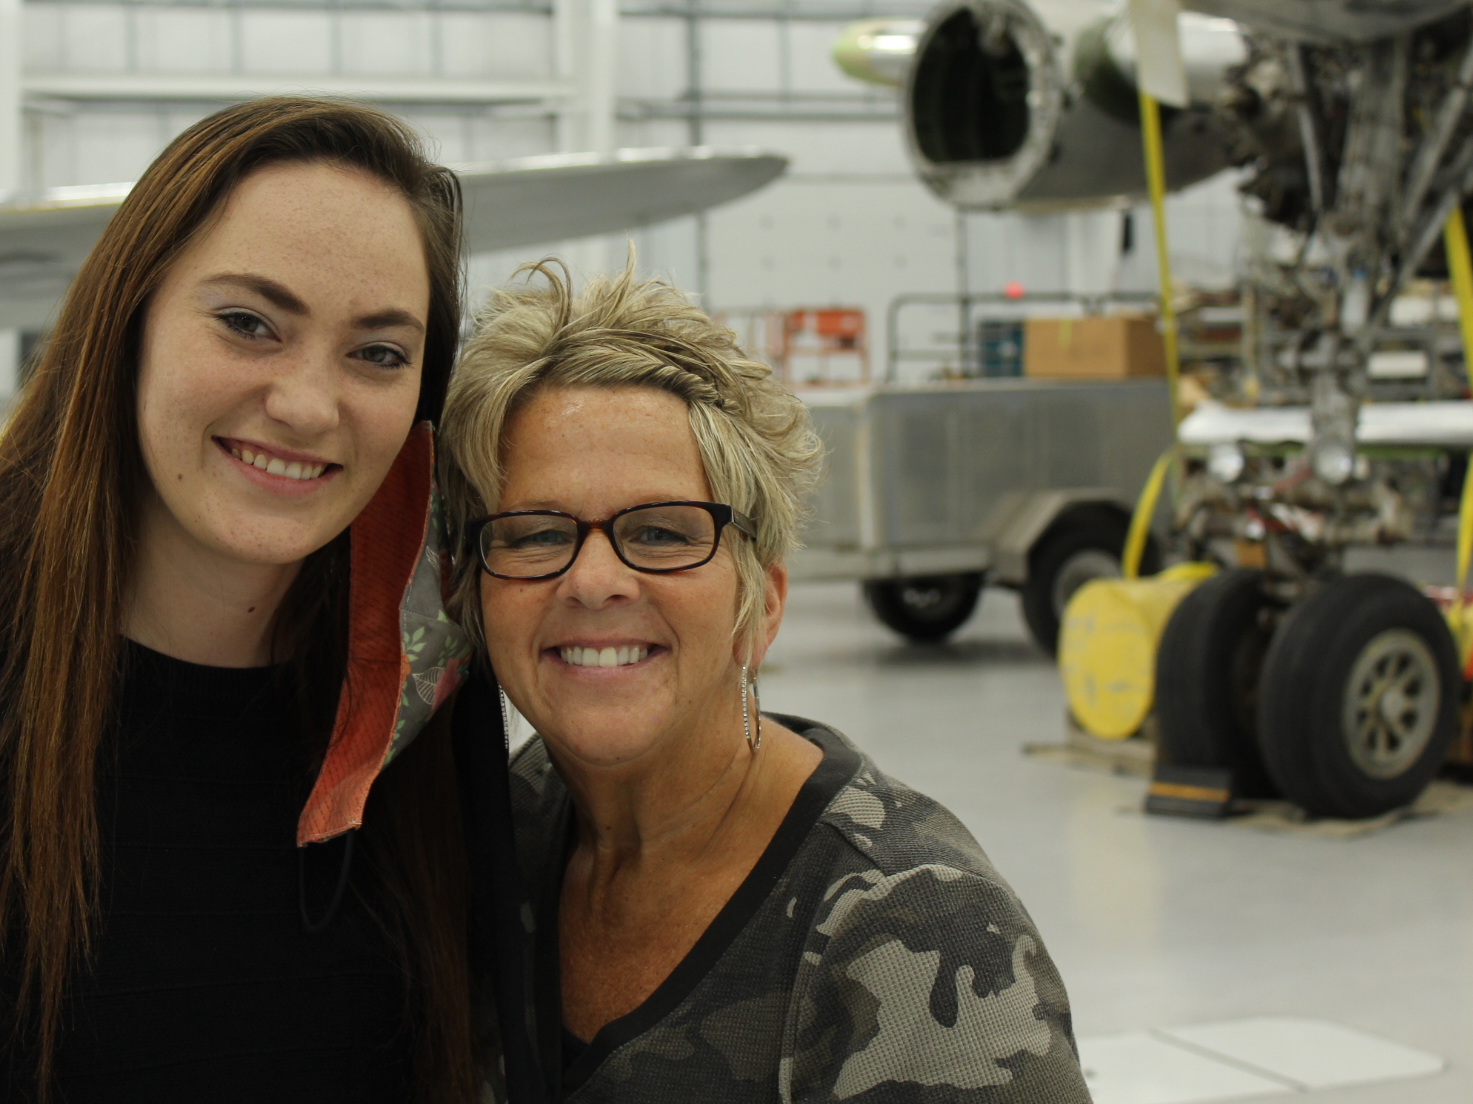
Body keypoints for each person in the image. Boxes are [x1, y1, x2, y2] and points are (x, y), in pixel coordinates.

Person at [0, 98, 482, 1102]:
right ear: (128, 321)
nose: (309, 403)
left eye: (379, 352)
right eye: (249, 322)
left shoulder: (422, 701)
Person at [436, 264, 1090, 1103]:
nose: (594, 580)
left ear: (762, 603)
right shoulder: (494, 836)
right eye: (533, 534)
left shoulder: (920, 929)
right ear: (472, 593)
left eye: (663, 530)